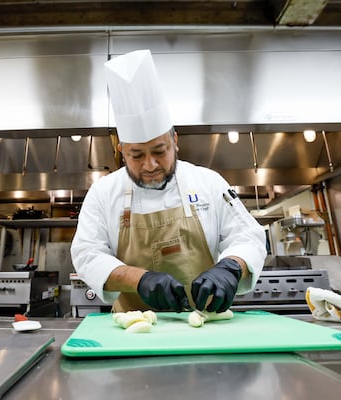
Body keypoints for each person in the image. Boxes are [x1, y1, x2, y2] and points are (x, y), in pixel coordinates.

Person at [71, 49, 266, 313]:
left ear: (175, 142)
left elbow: (249, 237)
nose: (149, 165)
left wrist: (231, 267)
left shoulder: (209, 183)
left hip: (206, 329)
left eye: (159, 151)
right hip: (134, 332)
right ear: (122, 151)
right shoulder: (104, 192)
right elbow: (87, 254)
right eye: (136, 155)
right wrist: (139, 279)